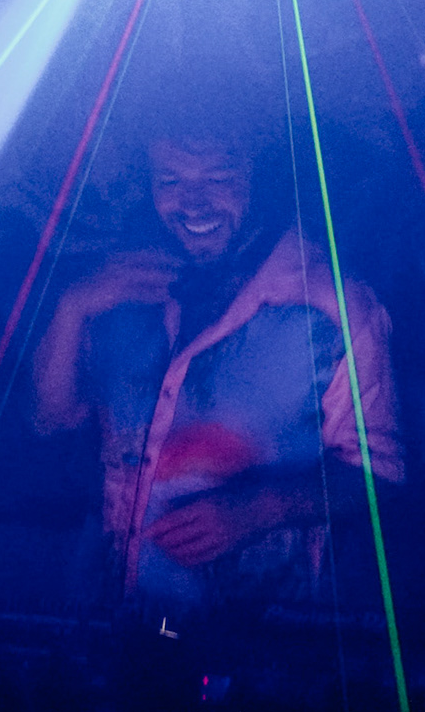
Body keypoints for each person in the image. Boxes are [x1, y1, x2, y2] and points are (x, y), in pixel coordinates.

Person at [31, 120, 402, 621]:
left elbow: (379, 476)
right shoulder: (118, 287)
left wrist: (260, 509)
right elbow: (50, 422)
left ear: (260, 177)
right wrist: (70, 307)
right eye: (171, 181)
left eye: (219, 178)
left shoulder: (334, 303)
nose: (194, 203)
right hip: (110, 613)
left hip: (253, 632)